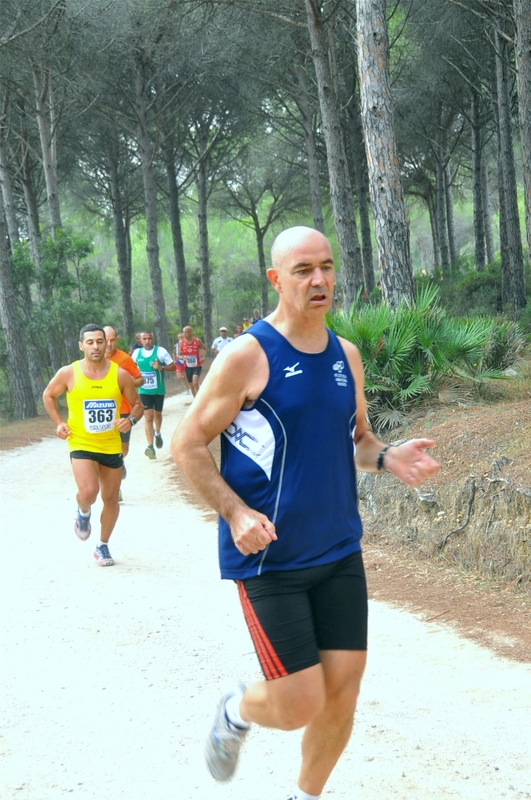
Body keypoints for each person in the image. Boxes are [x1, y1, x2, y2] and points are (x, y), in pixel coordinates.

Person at [170, 226, 439, 799]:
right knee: (298, 703)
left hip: (339, 549)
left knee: (342, 691)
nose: (319, 280)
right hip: (269, 559)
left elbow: (357, 438)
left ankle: (304, 795)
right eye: (302, 270)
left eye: (326, 266)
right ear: (276, 279)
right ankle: (237, 709)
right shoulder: (247, 355)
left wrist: (387, 456)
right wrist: (236, 513)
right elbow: (187, 444)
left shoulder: (346, 354)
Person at [43, 323, 144, 566]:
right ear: (81, 346)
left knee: (110, 499)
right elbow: (48, 395)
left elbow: (138, 405)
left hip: (111, 445)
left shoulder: (120, 374)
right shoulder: (69, 372)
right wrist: (58, 423)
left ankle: (102, 546)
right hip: (81, 442)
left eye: (100, 341)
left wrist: (130, 420)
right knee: (89, 492)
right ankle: (83, 511)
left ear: (107, 343)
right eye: (90, 342)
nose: (96, 346)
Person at [104, 326, 145, 494]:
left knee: (123, 449)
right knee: (107, 451)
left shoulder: (124, 358)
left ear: (117, 340)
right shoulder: (94, 359)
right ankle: (115, 488)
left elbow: (140, 379)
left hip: (124, 410)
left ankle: (120, 463)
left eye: (112, 340)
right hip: (104, 411)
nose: (109, 344)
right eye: (105, 340)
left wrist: (125, 384)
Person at [131, 331, 174, 459]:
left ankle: (158, 433)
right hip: (144, 390)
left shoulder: (160, 351)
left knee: (158, 415)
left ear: (153, 339)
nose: (147, 341)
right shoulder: (137, 353)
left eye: (150, 338)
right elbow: (131, 366)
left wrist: (161, 367)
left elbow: (173, 366)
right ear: (140, 340)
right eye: (144, 339)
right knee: (148, 417)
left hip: (158, 390)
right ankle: (150, 446)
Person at [179, 325, 207, 398]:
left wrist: (203, 357)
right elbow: (178, 355)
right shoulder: (181, 342)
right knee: (191, 385)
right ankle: (195, 399)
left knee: (195, 383)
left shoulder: (197, 340)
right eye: (183, 332)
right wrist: (182, 357)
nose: (184, 334)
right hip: (188, 366)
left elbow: (205, 348)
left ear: (191, 332)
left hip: (197, 365)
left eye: (186, 332)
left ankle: (199, 400)